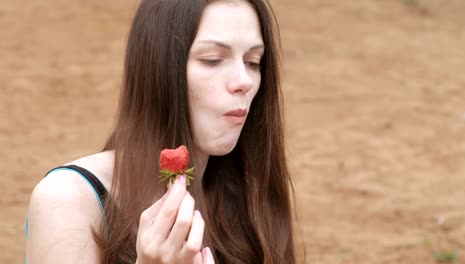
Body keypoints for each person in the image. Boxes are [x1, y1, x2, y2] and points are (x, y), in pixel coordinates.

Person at [26, 0, 297, 263]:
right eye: (213, 60)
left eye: (253, 62)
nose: (244, 81)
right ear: (157, 68)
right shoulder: (69, 200)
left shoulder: (245, 198)